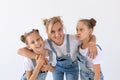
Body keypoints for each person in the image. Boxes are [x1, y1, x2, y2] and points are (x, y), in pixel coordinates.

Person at [18, 16, 97, 80]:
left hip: (72, 68)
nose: (57, 34)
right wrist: (37, 57)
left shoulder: (72, 39)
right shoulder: (44, 43)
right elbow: (20, 51)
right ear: (47, 33)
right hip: (57, 68)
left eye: (59, 30)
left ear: (63, 28)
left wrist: (92, 43)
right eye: (52, 32)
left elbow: (90, 36)